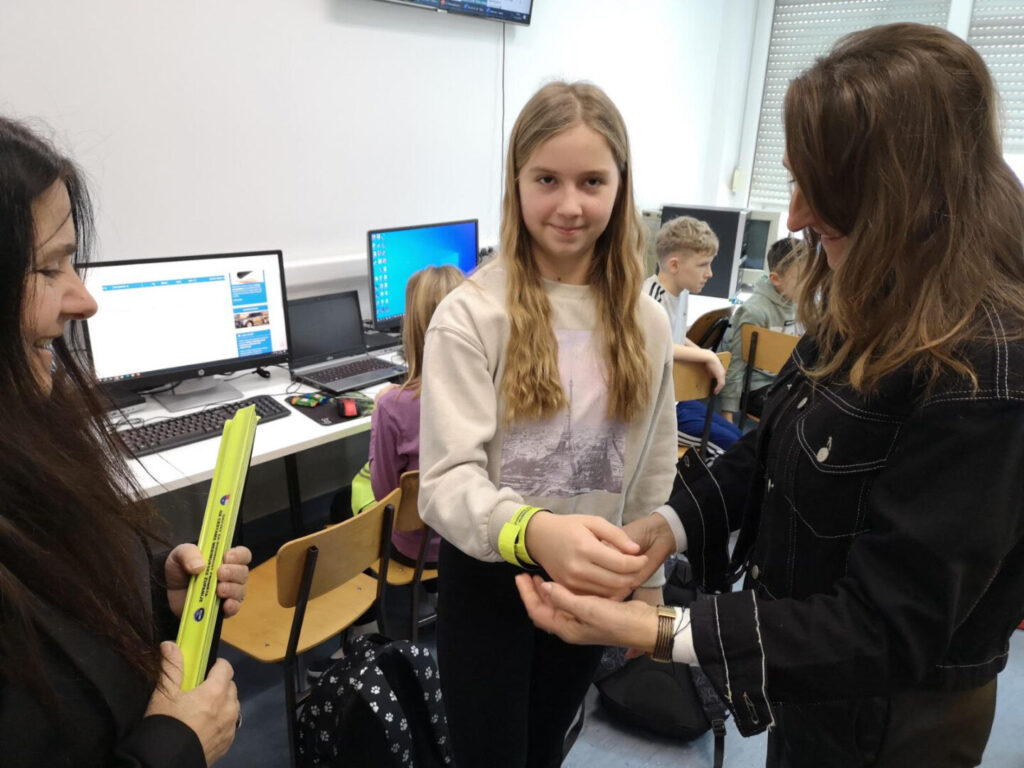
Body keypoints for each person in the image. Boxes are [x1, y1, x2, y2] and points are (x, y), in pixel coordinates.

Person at [516, 23, 1024, 768]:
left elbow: (883, 629)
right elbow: (776, 444)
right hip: (807, 688)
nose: (794, 217)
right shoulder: (876, 294)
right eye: (793, 180)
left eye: (822, 190)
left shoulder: (987, 369)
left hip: (890, 724)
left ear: (904, 191)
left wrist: (653, 628)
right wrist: (668, 526)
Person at [418, 81, 677, 767]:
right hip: (489, 581)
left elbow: (653, 462)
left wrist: (649, 581)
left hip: (593, 579)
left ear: (621, 186)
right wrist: (533, 532)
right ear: (517, 183)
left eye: (592, 181)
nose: (569, 205)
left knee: (547, 742)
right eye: (546, 180)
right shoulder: (472, 314)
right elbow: (445, 482)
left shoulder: (648, 322)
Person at [0, 116, 251, 767]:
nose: (85, 300)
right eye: (48, 267)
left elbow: (64, 608)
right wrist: (176, 747)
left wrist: (154, 593)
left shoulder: (32, 447)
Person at [369, 264, 464, 567]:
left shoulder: (392, 407)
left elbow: (385, 497)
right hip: (475, 542)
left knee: (340, 504)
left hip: (418, 550)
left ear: (411, 327)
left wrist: (380, 413)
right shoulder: (494, 391)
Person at [642, 215, 740, 459]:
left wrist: (703, 353)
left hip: (676, 399)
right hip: (656, 410)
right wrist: (707, 355)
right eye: (703, 265)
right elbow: (658, 345)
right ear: (674, 265)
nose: (710, 273)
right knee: (731, 452)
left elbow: (673, 337)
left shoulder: (680, 293)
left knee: (741, 439)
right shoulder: (650, 300)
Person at [719, 236, 804, 421]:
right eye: (801, 279)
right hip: (756, 388)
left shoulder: (803, 305)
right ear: (775, 279)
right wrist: (728, 413)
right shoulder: (754, 311)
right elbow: (736, 365)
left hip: (785, 382)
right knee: (794, 419)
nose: (809, 284)